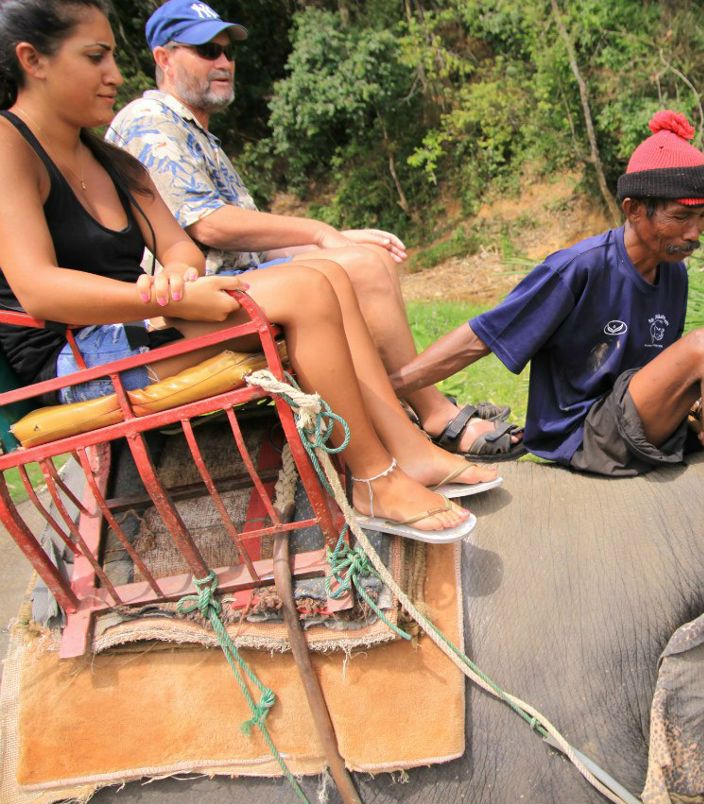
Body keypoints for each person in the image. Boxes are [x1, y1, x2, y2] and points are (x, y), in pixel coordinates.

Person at [0, 0, 501, 543]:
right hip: (75, 359)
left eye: (113, 57)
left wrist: (175, 276)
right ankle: (374, 478)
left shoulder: (109, 159)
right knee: (307, 289)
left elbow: (179, 247)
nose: (115, 75)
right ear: (34, 60)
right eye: (95, 57)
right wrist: (169, 301)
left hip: (140, 324)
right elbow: (39, 290)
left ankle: (408, 450)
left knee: (328, 278)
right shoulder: (9, 145)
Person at [393, 110, 704, 589]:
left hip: (635, 415)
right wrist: (390, 387)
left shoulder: (673, 271)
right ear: (633, 209)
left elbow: (654, 369)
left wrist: (695, 406)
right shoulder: (578, 267)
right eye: (680, 218)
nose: (694, 234)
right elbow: (482, 336)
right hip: (588, 431)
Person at [105, 0, 522, 461]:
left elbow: (248, 248)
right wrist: (321, 233)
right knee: (360, 268)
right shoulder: (149, 123)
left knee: (371, 256)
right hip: (190, 307)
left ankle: (409, 404)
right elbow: (210, 224)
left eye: (227, 51)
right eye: (206, 50)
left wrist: (340, 236)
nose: (223, 62)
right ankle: (433, 413)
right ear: (163, 58)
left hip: (239, 288)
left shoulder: (197, 133)